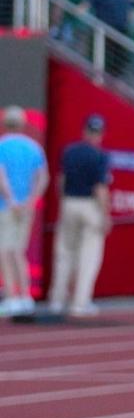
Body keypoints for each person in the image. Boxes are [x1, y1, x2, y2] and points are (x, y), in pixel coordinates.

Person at [50, 113, 111, 317]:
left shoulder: (69, 151)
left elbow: (61, 180)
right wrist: (105, 214)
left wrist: (64, 202)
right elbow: (100, 187)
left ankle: (57, 300)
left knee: (64, 254)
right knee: (89, 257)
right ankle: (79, 302)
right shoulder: (100, 155)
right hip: (89, 205)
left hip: (69, 203)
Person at [0, 107, 49, 315]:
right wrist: (30, 201)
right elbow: (43, 177)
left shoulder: (2, 146)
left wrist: (12, 200)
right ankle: (26, 296)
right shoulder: (34, 147)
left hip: (6, 206)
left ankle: (12, 296)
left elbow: (1, 175)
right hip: (26, 207)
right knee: (19, 252)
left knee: (4, 251)